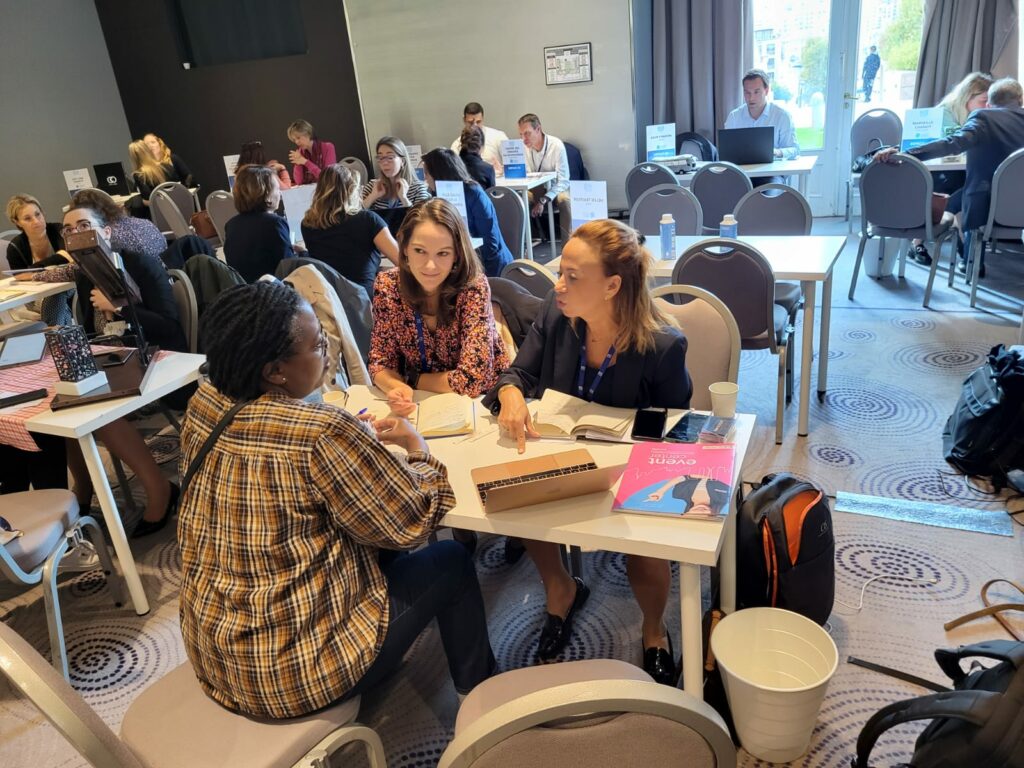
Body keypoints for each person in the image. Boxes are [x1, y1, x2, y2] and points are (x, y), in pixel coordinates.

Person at [177, 280, 495, 718]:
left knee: (369, 537)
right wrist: (417, 447)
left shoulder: (205, 403)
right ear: (274, 371)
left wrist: (351, 440)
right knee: (451, 561)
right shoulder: (321, 432)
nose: (327, 347)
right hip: (294, 674)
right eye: (315, 343)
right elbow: (416, 516)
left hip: (216, 652)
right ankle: (483, 703)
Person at [482, 219, 691, 684]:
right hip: (567, 457)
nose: (558, 285)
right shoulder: (557, 317)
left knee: (647, 540)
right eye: (562, 271)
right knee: (524, 489)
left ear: (612, 285)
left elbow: (677, 430)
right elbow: (517, 374)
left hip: (630, 466)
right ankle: (561, 590)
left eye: (573, 277)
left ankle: (654, 631)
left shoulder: (662, 345)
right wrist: (512, 394)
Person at [18, 203, 184, 536]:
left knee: (96, 406)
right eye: (68, 229)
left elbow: (171, 329)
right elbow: (91, 333)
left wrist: (120, 309)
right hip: (110, 359)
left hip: (158, 357)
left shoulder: (140, 263)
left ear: (105, 231)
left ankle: (159, 489)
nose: (76, 233)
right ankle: (82, 486)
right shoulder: (84, 271)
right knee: (61, 399)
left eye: (83, 225)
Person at [368, 198, 509, 415]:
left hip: (482, 404)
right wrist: (397, 387)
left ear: (457, 255)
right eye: (419, 251)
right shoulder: (387, 286)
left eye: (442, 253)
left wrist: (413, 379)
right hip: (422, 404)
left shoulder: (473, 287)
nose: (430, 266)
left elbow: (472, 380)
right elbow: (380, 361)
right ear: (404, 248)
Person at [876, 77, 1024, 275]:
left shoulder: (983, 118)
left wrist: (907, 153)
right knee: (963, 193)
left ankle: (971, 262)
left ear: (989, 103)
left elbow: (952, 143)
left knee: (969, 194)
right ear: (1021, 99)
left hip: (987, 206)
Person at [908, 72, 993, 266]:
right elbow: (950, 145)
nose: (987, 106)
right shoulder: (944, 114)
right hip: (938, 172)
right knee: (963, 187)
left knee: (970, 185)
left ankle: (961, 241)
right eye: (983, 100)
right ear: (967, 96)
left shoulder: (982, 117)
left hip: (961, 171)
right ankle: (962, 243)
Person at [300, 163, 398, 296]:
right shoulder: (368, 220)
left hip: (331, 302)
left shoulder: (307, 224)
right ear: (351, 190)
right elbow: (400, 261)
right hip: (365, 302)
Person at [421, 147, 512, 277]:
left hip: (488, 265)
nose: (425, 179)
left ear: (437, 174)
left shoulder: (473, 193)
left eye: (427, 174)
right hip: (460, 262)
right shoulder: (435, 196)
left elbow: (490, 243)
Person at [5, 193, 74, 325]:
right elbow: (20, 276)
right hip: (36, 295)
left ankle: (55, 336)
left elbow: (70, 256)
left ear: (43, 213)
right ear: (17, 222)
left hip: (68, 286)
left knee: (55, 296)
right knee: (57, 304)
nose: (36, 221)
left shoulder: (59, 230)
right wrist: (58, 258)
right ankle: (62, 338)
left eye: (38, 214)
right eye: (27, 218)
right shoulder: (15, 247)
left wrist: (33, 270)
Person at [724, 68, 799, 185]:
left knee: (768, 197)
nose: (751, 98)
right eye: (747, 92)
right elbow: (726, 152)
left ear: (767, 90)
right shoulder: (734, 117)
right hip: (740, 175)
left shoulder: (782, 116)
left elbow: (795, 150)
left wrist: (777, 152)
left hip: (771, 175)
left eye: (756, 92)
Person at [223, 165, 293, 283]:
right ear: (267, 192)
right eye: (277, 188)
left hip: (245, 292)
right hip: (275, 292)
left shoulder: (231, 225)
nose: (280, 193)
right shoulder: (275, 223)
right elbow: (288, 267)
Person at [69, 188, 167, 263]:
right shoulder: (144, 223)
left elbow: (82, 270)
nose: (75, 232)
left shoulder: (107, 238)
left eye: (83, 225)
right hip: (169, 277)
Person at [517, 113, 572, 241]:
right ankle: (524, 249)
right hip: (534, 188)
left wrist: (544, 199)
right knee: (518, 202)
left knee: (565, 201)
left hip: (555, 189)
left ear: (538, 129)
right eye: (521, 134)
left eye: (527, 133)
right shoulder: (522, 147)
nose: (524, 139)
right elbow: (522, 174)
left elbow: (564, 181)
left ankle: (567, 248)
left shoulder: (556, 145)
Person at [360, 136, 432, 233]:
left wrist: (404, 199)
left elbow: (424, 222)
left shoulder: (418, 188)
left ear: (402, 161)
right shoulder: (373, 186)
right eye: (380, 157)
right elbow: (355, 219)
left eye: (390, 157)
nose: (384, 162)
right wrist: (372, 196)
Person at [450, 101, 508, 177]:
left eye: (478, 122)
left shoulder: (499, 137)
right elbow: (453, 172)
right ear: (464, 120)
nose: (475, 126)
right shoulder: (456, 145)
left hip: (497, 184)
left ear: (483, 119)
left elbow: (514, 167)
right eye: (470, 122)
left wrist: (502, 171)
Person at [130, 134, 193, 202]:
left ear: (159, 143)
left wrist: (183, 190)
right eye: (147, 145)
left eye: (153, 142)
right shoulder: (144, 172)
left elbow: (188, 176)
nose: (150, 146)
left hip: (174, 200)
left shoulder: (171, 160)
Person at [287, 119, 337, 185]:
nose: (296, 142)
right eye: (294, 140)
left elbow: (328, 178)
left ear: (308, 134)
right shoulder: (300, 153)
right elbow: (299, 182)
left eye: (298, 138)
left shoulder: (328, 147)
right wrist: (297, 163)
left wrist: (306, 162)